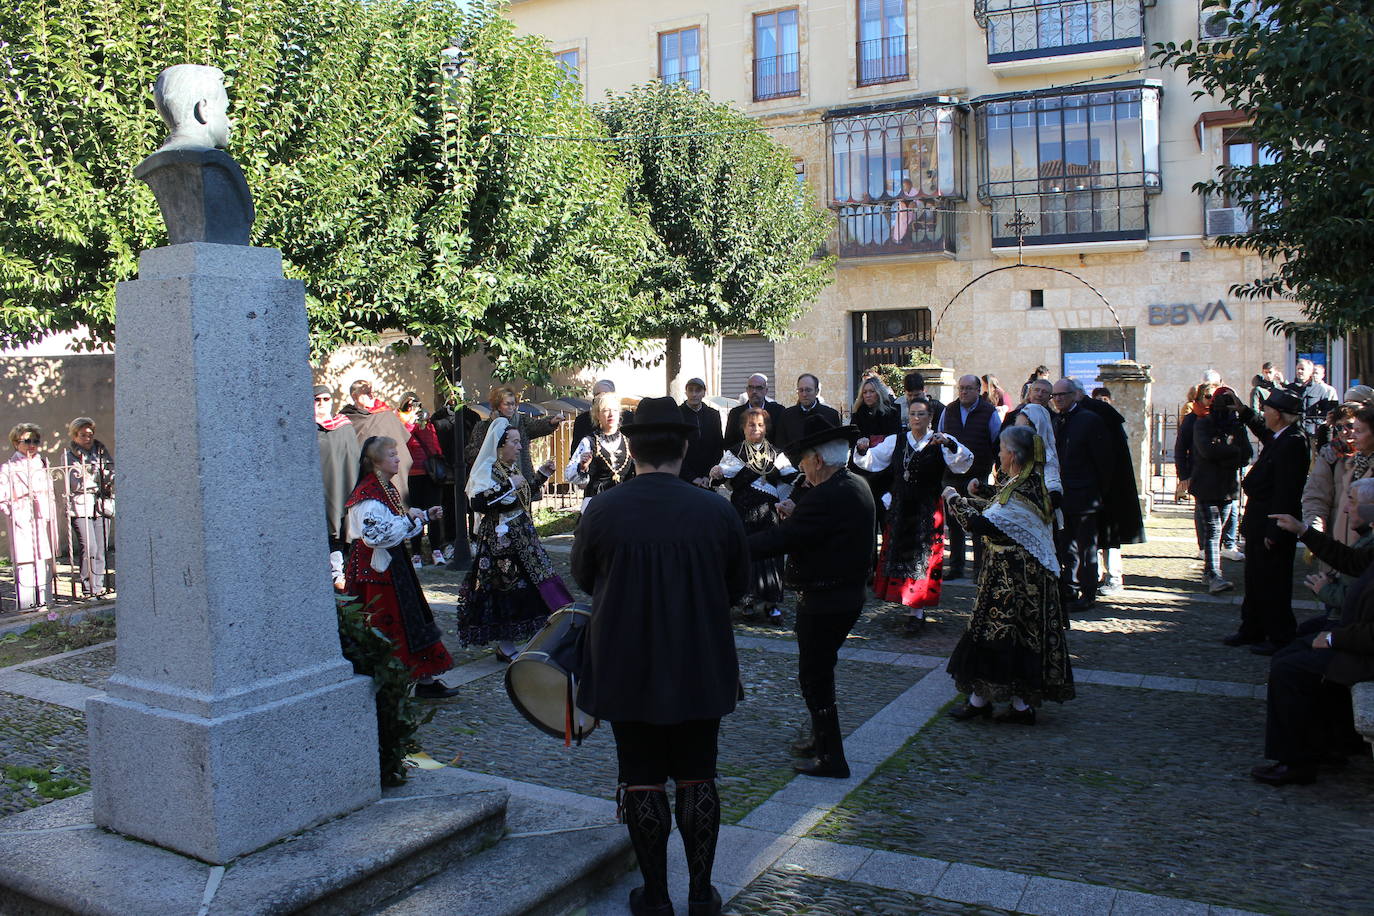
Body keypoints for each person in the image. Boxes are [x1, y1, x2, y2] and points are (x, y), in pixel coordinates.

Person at [571, 396, 748, 916]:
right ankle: (699, 893)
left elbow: (584, 578)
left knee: (641, 774)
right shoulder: (715, 508)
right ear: (686, 445)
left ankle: (656, 895)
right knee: (699, 773)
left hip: (627, 659)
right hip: (700, 658)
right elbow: (737, 586)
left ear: (631, 445)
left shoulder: (604, 509)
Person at [749, 416, 875, 779]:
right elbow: (820, 531)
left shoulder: (828, 495)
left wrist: (730, 546)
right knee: (820, 672)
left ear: (818, 460)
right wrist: (798, 514)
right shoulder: (854, 485)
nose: (801, 468)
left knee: (815, 676)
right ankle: (820, 741)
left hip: (826, 600)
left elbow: (782, 541)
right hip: (844, 595)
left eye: (803, 461)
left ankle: (832, 757)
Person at [944, 425, 1074, 724]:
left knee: (998, 636)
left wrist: (954, 499)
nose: (999, 454)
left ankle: (985, 702)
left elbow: (984, 525)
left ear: (1013, 455)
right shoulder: (1026, 482)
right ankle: (1017, 706)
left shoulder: (1021, 490)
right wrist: (983, 491)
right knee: (1016, 638)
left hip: (1013, 579)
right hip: (1019, 577)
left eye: (1002, 450)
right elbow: (1000, 506)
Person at [1255, 502, 1374, 785]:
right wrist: (1304, 531)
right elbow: (1351, 561)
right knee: (1291, 654)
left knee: (1290, 671)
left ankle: (1296, 761)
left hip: (1363, 653)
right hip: (1356, 641)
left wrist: (1334, 638)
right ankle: (1324, 745)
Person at [343, 436, 457, 699]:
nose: (398, 459)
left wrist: (423, 517)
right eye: (392, 455)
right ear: (376, 462)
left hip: (393, 565)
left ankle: (423, 678)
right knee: (387, 623)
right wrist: (409, 519)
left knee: (411, 618)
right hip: (376, 573)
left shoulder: (386, 488)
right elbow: (375, 536)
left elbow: (395, 527)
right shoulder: (368, 495)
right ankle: (390, 680)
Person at [458, 418, 574, 661]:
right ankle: (507, 645)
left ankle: (546, 636)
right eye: (515, 442)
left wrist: (542, 475)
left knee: (535, 584)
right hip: (502, 545)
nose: (520, 447)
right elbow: (478, 502)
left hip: (524, 538)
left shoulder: (511, 469)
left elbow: (522, 495)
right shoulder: (488, 470)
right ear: (500, 446)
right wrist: (508, 486)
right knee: (507, 589)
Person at [856, 399, 972, 633]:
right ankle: (903, 600)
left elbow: (963, 462)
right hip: (901, 506)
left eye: (921, 414)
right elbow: (871, 460)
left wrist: (949, 444)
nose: (916, 418)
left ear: (930, 417)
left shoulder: (940, 440)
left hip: (927, 508)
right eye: (912, 414)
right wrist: (861, 448)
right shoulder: (896, 440)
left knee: (924, 560)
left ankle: (916, 612)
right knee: (900, 555)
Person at [1223, 390, 1309, 655]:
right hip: (1259, 517)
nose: (1265, 414)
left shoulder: (1294, 442)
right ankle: (1252, 628)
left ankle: (1280, 635)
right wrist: (1245, 412)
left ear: (1279, 415)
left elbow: (1287, 490)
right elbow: (1264, 432)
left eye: (1268, 410)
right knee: (1255, 578)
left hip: (1272, 520)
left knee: (1273, 582)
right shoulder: (1282, 437)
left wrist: (1275, 529)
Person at [709, 408, 798, 622]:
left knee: (771, 555)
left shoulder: (777, 454)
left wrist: (806, 476)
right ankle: (746, 600)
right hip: (744, 512)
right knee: (746, 553)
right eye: (751, 424)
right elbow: (720, 477)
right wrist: (716, 472)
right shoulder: (734, 453)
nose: (755, 428)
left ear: (766, 428)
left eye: (760, 424)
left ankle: (771, 603)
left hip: (769, 514)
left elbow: (791, 476)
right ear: (743, 428)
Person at [1074, 379, 1146, 595]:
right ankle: (1096, 575)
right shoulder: (1088, 412)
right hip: (1092, 484)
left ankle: (1113, 576)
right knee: (1093, 533)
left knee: (1108, 534)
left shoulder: (1094, 413)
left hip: (1106, 485)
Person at [1050, 378, 1111, 611]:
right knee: (1067, 546)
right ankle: (1071, 588)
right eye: (1054, 396)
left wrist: (1097, 492)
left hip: (1086, 496)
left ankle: (1088, 592)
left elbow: (1103, 462)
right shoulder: (1057, 420)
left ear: (1075, 395)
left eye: (1062, 395)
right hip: (1064, 495)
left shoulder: (1089, 420)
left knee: (1087, 548)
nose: (1058, 399)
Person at [938, 374, 1001, 580]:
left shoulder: (988, 412)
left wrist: (989, 467)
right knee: (954, 521)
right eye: (961, 388)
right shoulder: (949, 410)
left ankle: (979, 568)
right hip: (951, 474)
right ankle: (956, 566)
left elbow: (996, 441)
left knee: (977, 521)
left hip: (977, 474)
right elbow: (940, 437)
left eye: (968, 388)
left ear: (977, 390)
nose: (963, 392)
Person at [1191, 388, 1253, 593]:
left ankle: (1210, 571)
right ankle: (1214, 574)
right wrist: (1233, 451)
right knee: (1213, 530)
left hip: (1228, 487)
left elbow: (1247, 455)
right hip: (1206, 486)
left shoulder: (1237, 427)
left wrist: (1228, 450)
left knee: (1219, 530)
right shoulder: (1203, 424)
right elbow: (1207, 451)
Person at [467, 386, 563, 504]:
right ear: (498, 406)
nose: (511, 408)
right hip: (494, 479)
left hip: (521, 473)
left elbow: (536, 426)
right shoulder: (483, 427)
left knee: (522, 507)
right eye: (507, 404)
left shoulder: (521, 421)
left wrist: (551, 421)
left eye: (513, 404)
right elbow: (473, 453)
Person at [1, 424, 59, 610]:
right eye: (27, 441)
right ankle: (27, 604)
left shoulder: (41, 463)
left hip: (42, 516)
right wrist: (13, 513)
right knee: (25, 560)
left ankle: (45, 601)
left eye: (35, 440)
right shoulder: (9, 467)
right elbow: (2, 496)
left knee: (43, 557)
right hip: (22, 517)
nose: (32, 444)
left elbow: (50, 490)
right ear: (16, 443)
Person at [1301, 405, 1366, 555]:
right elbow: (1316, 497)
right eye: (1338, 427)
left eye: (1350, 425)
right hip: (1337, 542)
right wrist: (1316, 533)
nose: (1344, 431)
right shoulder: (1330, 455)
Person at [315, 386, 360, 592]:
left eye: (326, 399)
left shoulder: (344, 427)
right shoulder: (306, 428)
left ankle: (339, 573)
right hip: (318, 491)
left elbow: (353, 460)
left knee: (340, 531)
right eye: (317, 400)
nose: (322, 404)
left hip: (343, 488)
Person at [63, 417, 114, 598]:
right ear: (75, 436)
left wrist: (101, 477)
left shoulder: (101, 452)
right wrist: (97, 478)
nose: (87, 438)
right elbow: (75, 483)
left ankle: (98, 587)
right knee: (89, 547)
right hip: (81, 506)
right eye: (83, 435)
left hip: (101, 505)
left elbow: (111, 473)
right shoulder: (69, 455)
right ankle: (88, 588)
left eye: (90, 435)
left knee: (101, 548)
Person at [340, 379, 415, 502]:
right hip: (364, 477)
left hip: (392, 476)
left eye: (372, 392)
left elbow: (402, 444)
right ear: (354, 396)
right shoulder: (345, 419)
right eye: (366, 393)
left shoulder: (386, 416)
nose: (371, 396)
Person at [566, 391, 634, 512]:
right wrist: (582, 466)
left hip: (626, 504)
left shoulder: (629, 442)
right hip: (597, 505)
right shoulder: (588, 442)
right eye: (606, 410)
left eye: (614, 410)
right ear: (597, 415)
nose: (611, 414)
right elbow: (571, 475)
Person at [400, 394, 446, 567]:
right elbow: (403, 441)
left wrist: (437, 457)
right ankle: (416, 553)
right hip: (412, 474)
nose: (414, 408)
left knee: (434, 510)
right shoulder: (402, 423)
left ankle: (436, 550)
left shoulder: (427, 423)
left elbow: (435, 444)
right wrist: (410, 423)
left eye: (416, 404)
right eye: (410, 405)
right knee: (416, 512)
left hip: (430, 473)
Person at [1176, 381, 1217, 558]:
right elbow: (1180, 447)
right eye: (1209, 397)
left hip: (1218, 470)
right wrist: (1183, 475)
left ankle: (1222, 545)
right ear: (1200, 398)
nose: (1211, 401)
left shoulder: (1220, 417)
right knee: (1202, 509)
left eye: (1215, 397)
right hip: (1197, 470)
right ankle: (1203, 547)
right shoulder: (1192, 419)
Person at [679, 378, 724, 487]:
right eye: (691, 390)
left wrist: (708, 475)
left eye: (698, 390)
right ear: (686, 393)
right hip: (684, 478)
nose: (694, 394)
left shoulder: (713, 415)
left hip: (708, 478)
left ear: (704, 393)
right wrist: (692, 477)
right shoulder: (678, 414)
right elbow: (675, 449)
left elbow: (718, 447)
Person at [777, 374, 841, 447]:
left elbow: (836, 446)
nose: (804, 394)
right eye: (801, 390)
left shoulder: (831, 415)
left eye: (808, 390)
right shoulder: (786, 415)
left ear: (816, 391)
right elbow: (781, 445)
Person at [725, 374, 786, 448]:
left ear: (766, 391)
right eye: (751, 387)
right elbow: (729, 443)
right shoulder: (735, 414)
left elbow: (782, 440)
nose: (754, 391)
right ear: (747, 390)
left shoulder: (778, 412)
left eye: (759, 388)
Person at [569, 379, 630, 455]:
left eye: (606, 394)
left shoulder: (628, 418)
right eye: (598, 395)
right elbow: (576, 452)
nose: (602, 398)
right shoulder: (582, 420)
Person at [1288, 359, 1339, 437]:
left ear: (1310, 371)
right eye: (1298, 369)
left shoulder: (1319, 389)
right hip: (1292, 431)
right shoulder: (1290, 388)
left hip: (1310, 432)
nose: (1299, 371)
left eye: (1302, 369)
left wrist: (1316, 421)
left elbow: (1326, 410)